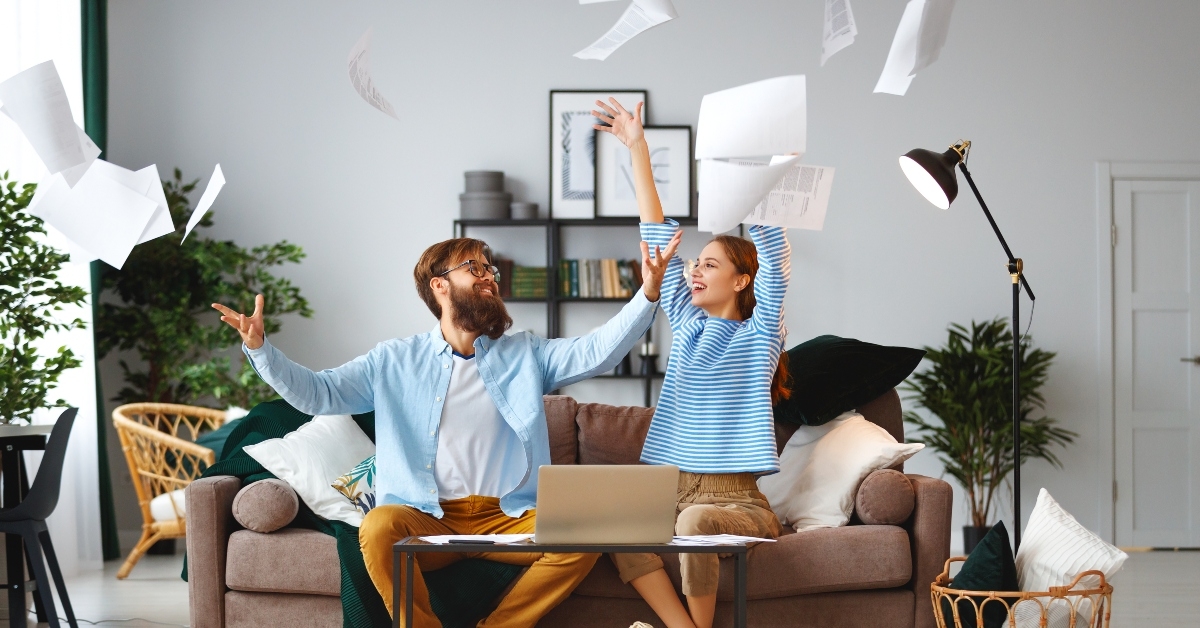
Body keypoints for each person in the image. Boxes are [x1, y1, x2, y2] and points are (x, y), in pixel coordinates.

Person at [211, 233, 678, 628]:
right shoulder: (393, 360)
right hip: (427, 516)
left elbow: (597, 351)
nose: (488, 274)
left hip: (509, 517)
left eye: (490, 267)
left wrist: (648, 293)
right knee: (376, 527)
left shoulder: (526, 354)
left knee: (587, 535)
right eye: (474, 267)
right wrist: (262, 351)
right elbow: (318, 394)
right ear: (440, 286)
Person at [592, 97, 791, 628]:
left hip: (735, 501)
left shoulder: (759, 332)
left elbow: (773, 259)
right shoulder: (688, 322)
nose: (695, 271)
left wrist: (755, 181)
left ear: (742, 280)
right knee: (614, 525)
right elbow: (656, 232)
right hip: (670, 488)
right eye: (695, 263)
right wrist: (637, 145)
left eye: (710, 264)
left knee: (698, 519)